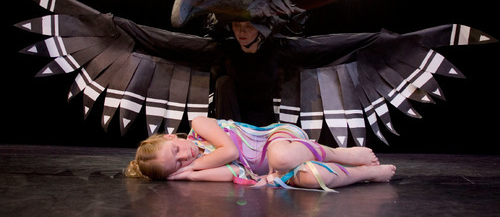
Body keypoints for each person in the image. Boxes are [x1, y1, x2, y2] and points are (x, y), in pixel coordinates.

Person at [125, 116, 396, 191]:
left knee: (281, 157)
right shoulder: (196, 168)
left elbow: (229, 150)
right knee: (311, 179)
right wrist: (189, 177)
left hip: (277, 140)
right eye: (178, 164)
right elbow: (236, 172)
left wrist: (195, 167)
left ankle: (339, 154)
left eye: (176, 149)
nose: (185, 157)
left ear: (172, 136)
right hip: (276, 171)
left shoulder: (199, 126)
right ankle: (367, 173)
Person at [213, 21, 286, 126]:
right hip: (233, 124)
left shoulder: (274, 52)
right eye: (237, 25)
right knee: (223, 82)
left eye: (250, 26)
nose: (242, 31)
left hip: (266, 124)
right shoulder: (226, 50)